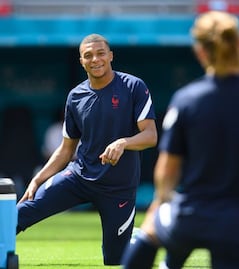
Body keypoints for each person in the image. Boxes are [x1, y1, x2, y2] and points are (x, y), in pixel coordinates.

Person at [121, 10, 239, 269]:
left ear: (200, 51)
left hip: (191, 215)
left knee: (149, 231)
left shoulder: (187, 99)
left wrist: (163, 203)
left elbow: (166, 171)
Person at [16, 33, 158, 266]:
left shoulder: (133, 86)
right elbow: (65, 149)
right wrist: (37, 179)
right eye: (88, 56)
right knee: (23, 211)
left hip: (118, 188)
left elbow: (150, 136)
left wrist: (124, 142)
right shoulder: (75, 96)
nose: (95, 59)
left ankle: (133, 238)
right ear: (81, 61)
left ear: (111, 55)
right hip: (78, 177)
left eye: (100, 53)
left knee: (114, 259)